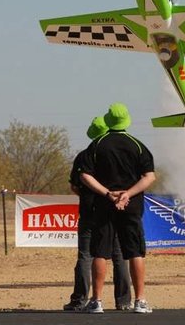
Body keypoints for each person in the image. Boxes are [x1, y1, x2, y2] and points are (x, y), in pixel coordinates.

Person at [80, 103, 156, 314]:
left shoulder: (97, 145)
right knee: (135, 252)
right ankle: (140, 301)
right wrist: (127, 194)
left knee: (100, 252)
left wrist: (107, 193)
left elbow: (84, 175)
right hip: (131, 206)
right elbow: (149, 176)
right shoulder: (137, 145)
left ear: (109, 120)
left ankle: (96, 301)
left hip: (104, 205)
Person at [63, 116, 132, 311]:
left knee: (86, 255)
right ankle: (124, 301)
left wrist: (88, 195)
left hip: (90, 211)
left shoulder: (84, 156)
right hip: (115, 212)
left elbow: (74, 186)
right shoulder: (119, 156)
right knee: (119, 255)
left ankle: (80, 300)